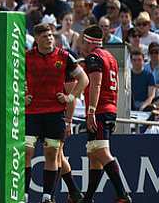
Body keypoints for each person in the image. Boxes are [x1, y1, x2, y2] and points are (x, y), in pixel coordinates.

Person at [24, 23, 88, 203]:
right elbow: (10, 79)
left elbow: (83, 79)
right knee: (26, 152)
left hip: (55, 113)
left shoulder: (64, 56)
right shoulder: (26, 57)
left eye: (51, 35)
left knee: (52, 154)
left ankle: (47, 197)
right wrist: (21, 96)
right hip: (32, 113)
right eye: (44, 36)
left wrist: (70, 98)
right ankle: (24, 195)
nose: (49, 38)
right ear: (36, 39)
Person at [78, 25, 131, 203]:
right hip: (109, 109)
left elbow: (96, 84)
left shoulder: (94, 57)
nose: (80, 45)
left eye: (82, 41)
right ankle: (88, 198)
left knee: (101, 151)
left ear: (88, 42)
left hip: (99, 111)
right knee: (94, 155)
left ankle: (122, 194)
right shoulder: (110, 57)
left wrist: (91, 111)